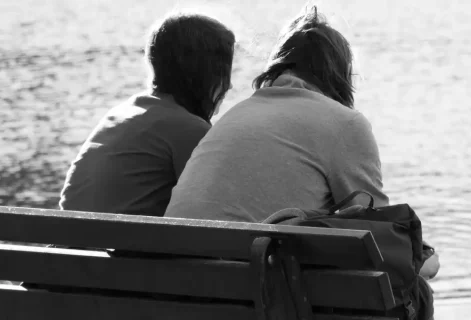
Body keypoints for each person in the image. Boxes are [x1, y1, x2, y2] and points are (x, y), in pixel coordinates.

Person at [163, 6, 387, 223]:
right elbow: (378, 227)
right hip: (245, 258)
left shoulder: (238, 113)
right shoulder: (345, 123)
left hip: (174, 254)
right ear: (340, 74)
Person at [58, 12, 235, 216]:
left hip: (71, 243)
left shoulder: (122, 114)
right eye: (224, 71)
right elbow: (217, 206)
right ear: (205, 73)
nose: (229, 84)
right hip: (119, 246)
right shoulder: (187, 128)